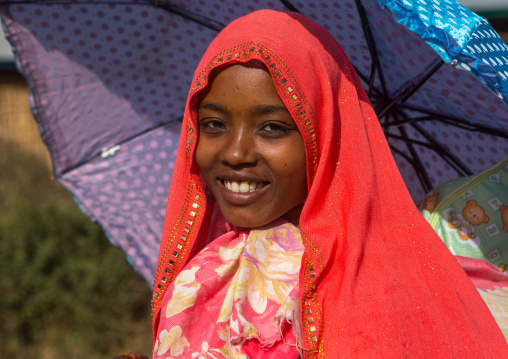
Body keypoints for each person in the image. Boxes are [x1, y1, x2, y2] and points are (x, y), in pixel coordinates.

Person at [117, 9, 508, 358]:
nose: (235, 153)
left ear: (323, 133)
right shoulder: (209, 270)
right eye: (214, 124)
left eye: (272, 128)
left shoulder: (372, 294)